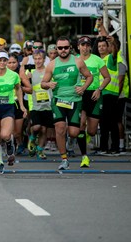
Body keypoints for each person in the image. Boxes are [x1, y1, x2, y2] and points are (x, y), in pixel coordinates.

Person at [41, 36, 93, 170]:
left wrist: (83, 88)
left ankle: (71, 142)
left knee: (74, 132)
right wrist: (48, 84)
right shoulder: (52, 64)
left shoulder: (78, 61)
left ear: (70, 48)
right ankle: (64, 159)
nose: (63, 50)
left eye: (65, 47)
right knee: (59, 129)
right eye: (60, 48)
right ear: (57, 49)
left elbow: (89, 76)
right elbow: (42, 83)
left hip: (75, 101)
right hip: (58, 101)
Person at [76, 36, 110, 167]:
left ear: (90, 46)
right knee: (81, 125)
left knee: (91, 131)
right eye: (82, 45)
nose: (85, 47)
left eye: (87, 45)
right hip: (80, 94)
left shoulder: (97, 60)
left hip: (94, 94)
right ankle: (84, 156)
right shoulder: (75, 60)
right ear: (78, 46)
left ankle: (86, 137)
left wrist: (99, 89)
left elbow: (107, 78)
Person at [26, 50, 52, 160]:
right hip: (35, 105)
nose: (37, 61)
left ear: (44, 59)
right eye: (35, 59)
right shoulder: (30, 73)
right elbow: (25, 88)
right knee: (36, 127)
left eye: (40, 59)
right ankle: (32, 138)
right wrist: (27, 79)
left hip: (47, 105)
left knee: (44, 130)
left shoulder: (48, 72)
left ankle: (40, 150)